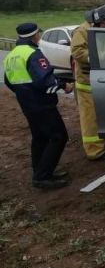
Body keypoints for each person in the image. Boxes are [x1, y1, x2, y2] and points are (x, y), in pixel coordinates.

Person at [3, 23, 74, 189]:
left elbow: (9, 81)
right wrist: (64, 86)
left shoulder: (11, 55)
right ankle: (42, 177)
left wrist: (24, 93)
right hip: (42, 104)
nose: (39, 37)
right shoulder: (34, 54)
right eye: (39, 34)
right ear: (35, 36)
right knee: (59, 136)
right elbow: (45, 81)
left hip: (27, 104)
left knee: (40, 138)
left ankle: (40, 170)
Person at [71, 4, 105, 161]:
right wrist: (104, 56)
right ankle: (94, 150)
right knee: (90, 120)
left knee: (104, 115)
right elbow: (78, 52)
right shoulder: (83, 31)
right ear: (101, 21)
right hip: (87, 84)